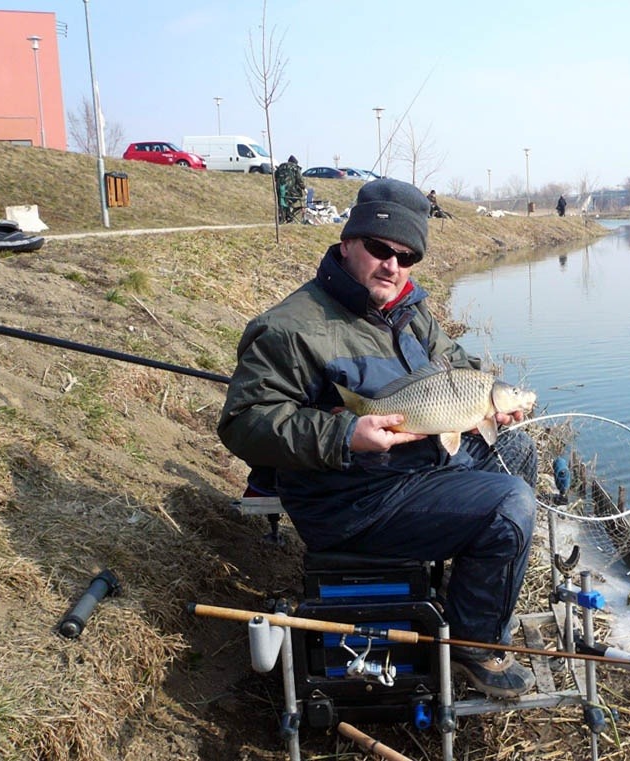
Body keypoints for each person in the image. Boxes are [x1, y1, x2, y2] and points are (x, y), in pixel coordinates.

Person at [218, 179, 538, 698]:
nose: (391, 265)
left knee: (519, 451)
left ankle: (474, 593)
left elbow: (459, 366)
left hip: (416, 471)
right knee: (510, 506)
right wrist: (345, 433)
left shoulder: (409, 313)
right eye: (379, 249)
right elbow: (243, 422)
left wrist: (488, 405)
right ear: (347, 244)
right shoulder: (291, 328)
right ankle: (474, 647)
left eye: (405, 255)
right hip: (351, 501)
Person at [274, 155, 306, 223]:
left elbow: (275, 176)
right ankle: (289, 214)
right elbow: (300, 180)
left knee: (281, 202)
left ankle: (283, 217)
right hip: (289, 190)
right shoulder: (295, 168)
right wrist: (304, 188)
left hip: (279, 188)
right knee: (295, 197)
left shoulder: (281, 167)